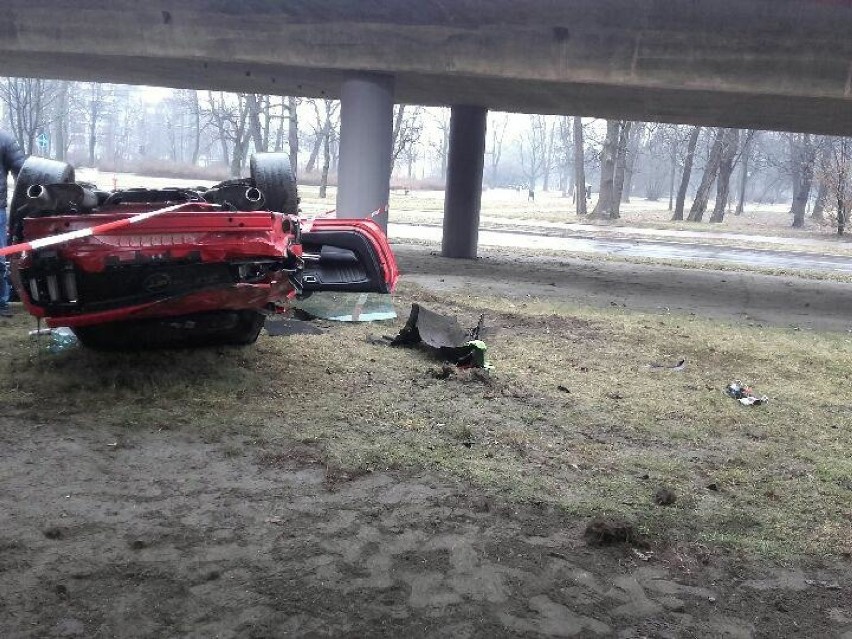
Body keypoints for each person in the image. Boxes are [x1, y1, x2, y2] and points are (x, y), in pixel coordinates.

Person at [0, 130, 26, 317]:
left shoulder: (4, 139)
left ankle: (1, 302)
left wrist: (24, 202)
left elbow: (23, 171)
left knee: (0, 258)